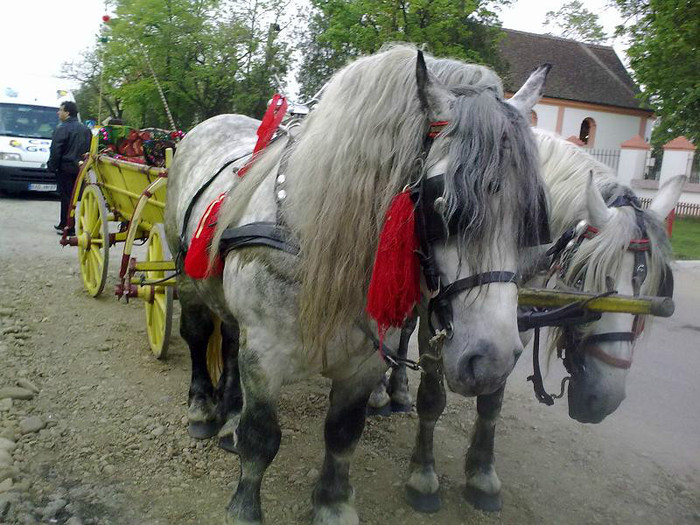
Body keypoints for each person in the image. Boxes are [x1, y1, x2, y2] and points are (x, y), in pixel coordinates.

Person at [48, 101, 92, 234]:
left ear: (67, 112)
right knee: (75, 197)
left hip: (65, 167)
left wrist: (52, 166)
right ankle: (64, 223)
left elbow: (56, 149)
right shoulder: (85, 129)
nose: (58, 112)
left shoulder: (61, 128)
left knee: (66, 197)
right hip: (80, 167)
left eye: (60, 110)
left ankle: (69, 226)